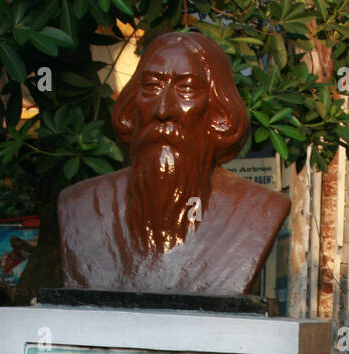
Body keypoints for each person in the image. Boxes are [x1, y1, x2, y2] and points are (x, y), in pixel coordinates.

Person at [58, 32, 290, 295]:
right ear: (133, 104)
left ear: (218, 114)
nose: (163, 109)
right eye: (152, 86)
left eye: (187, 89)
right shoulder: (80, 205)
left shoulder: (258, 211)